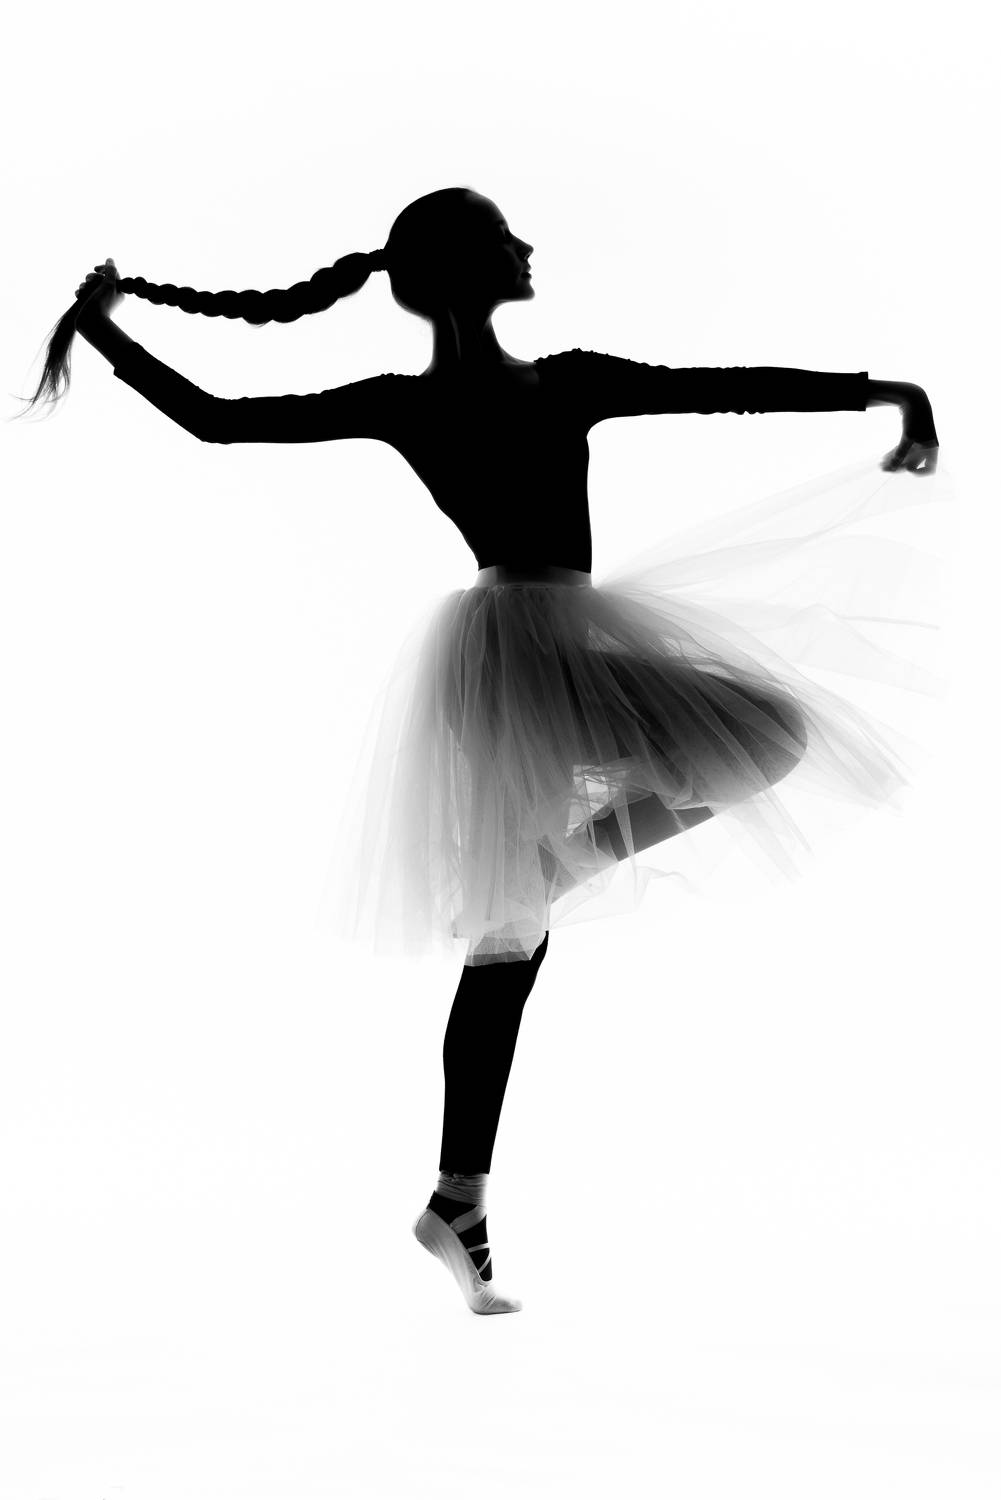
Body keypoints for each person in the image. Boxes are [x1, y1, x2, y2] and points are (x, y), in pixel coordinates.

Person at [18, 185, 944, 1315]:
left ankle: (463, 1177)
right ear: (467, 267)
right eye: (508, 238)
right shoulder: (475, 394)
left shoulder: (530, 386)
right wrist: (104, 332)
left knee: (740, 753)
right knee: (526, 926)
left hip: (533, 658)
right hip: (519, 667)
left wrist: (882, 391)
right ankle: (463, 1186)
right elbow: (219, 420)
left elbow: (720, 389)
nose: (529, 248)